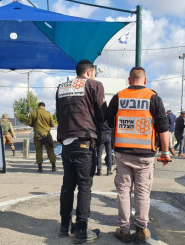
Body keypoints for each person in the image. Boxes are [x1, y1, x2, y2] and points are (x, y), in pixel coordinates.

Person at [107, 66, 171, 243]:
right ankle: (141, 230)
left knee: (123, 191)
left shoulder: (119, 96)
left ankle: (124, 229)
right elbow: (163, 128)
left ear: (129, 80)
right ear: (145, 80)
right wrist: (165, 152)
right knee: (142, 192)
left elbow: (108, 121)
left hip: (122, 153)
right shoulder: (153, 97)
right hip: (145, 155)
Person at [56, 59, 106, 243]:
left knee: (68, 185)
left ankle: (64, 226)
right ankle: (82, 230)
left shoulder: (61, 87)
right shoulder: (94, 85)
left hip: (66, 142)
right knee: (85, 186)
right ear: (89, 71)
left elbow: (58, 113)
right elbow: (102, 114)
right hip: (84, 140)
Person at [28, 102, 56, 173]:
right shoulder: (48, 113)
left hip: (37, 135)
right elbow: (52, 124)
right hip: (47, 134)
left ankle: (40, 168)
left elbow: (29, 123)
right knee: (50, 150)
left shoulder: (33, 113)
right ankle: (53, 167)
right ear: (44, 107)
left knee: (39, 151)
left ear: (38, 106)